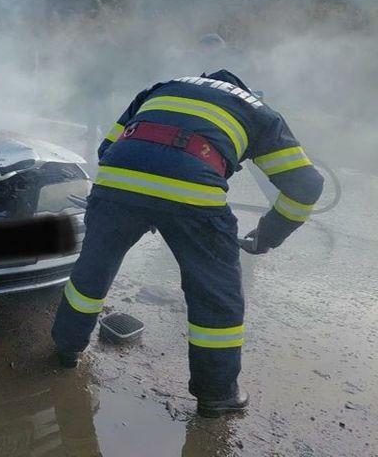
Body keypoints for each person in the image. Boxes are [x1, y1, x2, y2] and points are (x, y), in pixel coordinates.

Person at [51, 69, 323, 418]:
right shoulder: (257, 110)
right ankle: (218, 395)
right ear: (241, 91)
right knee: (215, 294)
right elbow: (307, 184)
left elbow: (108, 147)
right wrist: (268, 234)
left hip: (118, 179)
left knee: (93, 269)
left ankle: (66, 349)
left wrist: (139, 203)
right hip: (193, 191)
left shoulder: (162, 87)